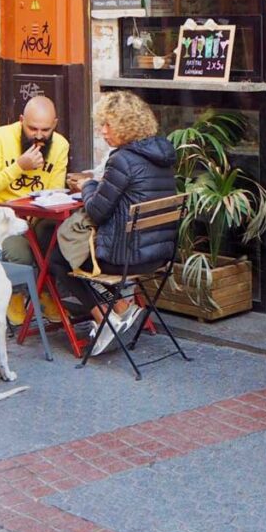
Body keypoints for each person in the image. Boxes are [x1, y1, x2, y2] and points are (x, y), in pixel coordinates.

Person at [49, 90, 178, 356]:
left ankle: (105, 318)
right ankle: (120, 308)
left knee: (58, 258)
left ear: (125, 125)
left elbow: (96, 211)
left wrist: (88, 185)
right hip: (159, 255)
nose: (102, 131)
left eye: (107, 124)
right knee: (73, 252)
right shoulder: (161, 156)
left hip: (125, 257)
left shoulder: (122, 159)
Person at [0, 95, 69, 325]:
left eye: (45, 130)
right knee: (21, 252)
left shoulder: (60, 145)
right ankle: (14, 294)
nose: (38, 136)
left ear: (55, 124)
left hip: (34, 218)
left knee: (59, 238)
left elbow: (54, 191)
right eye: (32, 128)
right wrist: (18, 167)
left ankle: (45, 292)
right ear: (21, 121)